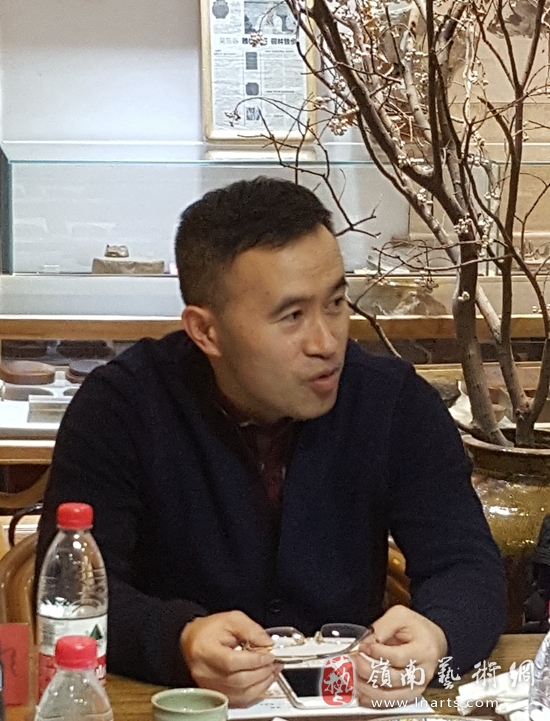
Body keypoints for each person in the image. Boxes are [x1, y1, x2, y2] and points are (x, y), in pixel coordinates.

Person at [36, 177, 506, 707]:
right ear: (206, 331)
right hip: (174, 705)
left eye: (336, 303)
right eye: (292, 317)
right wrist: (179, 639)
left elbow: (467, 565)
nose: (326, 342)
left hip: (346, 705)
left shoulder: (392, 402)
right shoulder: (122, 407)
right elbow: (74, 598)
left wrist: (437, 635)